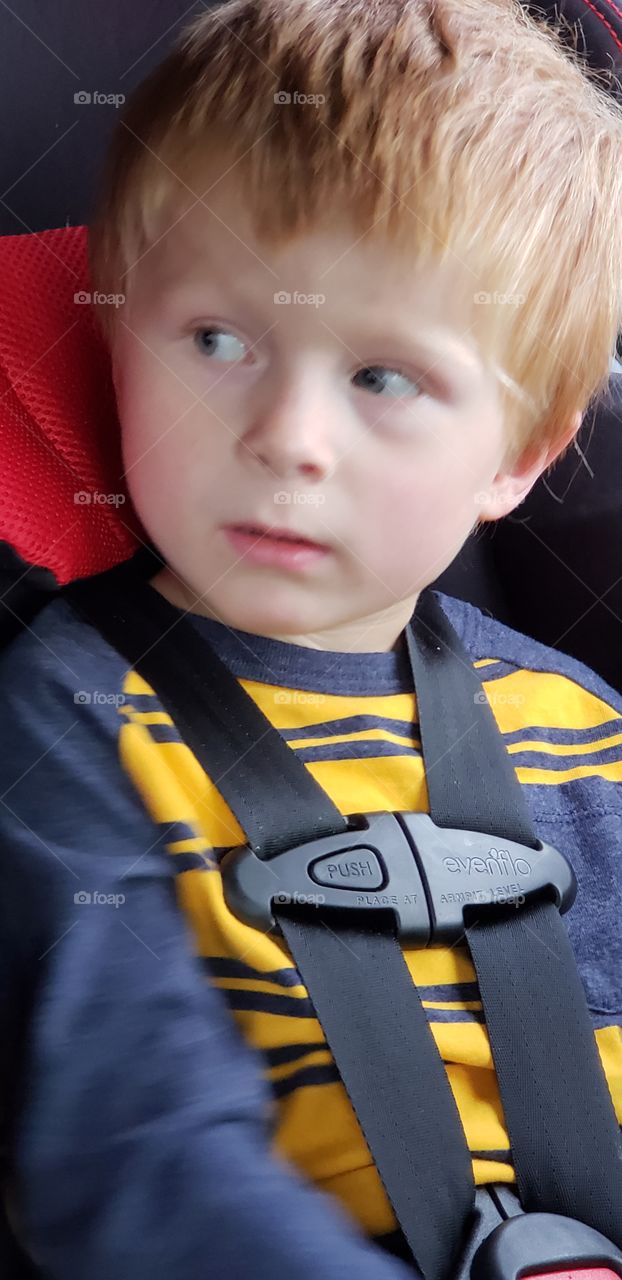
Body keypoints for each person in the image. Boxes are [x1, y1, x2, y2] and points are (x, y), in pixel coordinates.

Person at [1, 0, 622, 1275]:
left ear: (517, 450)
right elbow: (135, 1153)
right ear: (116, 345)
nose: (286, 437)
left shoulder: (582, 729)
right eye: (218, 341)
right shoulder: (71, 713)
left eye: (382, 376)